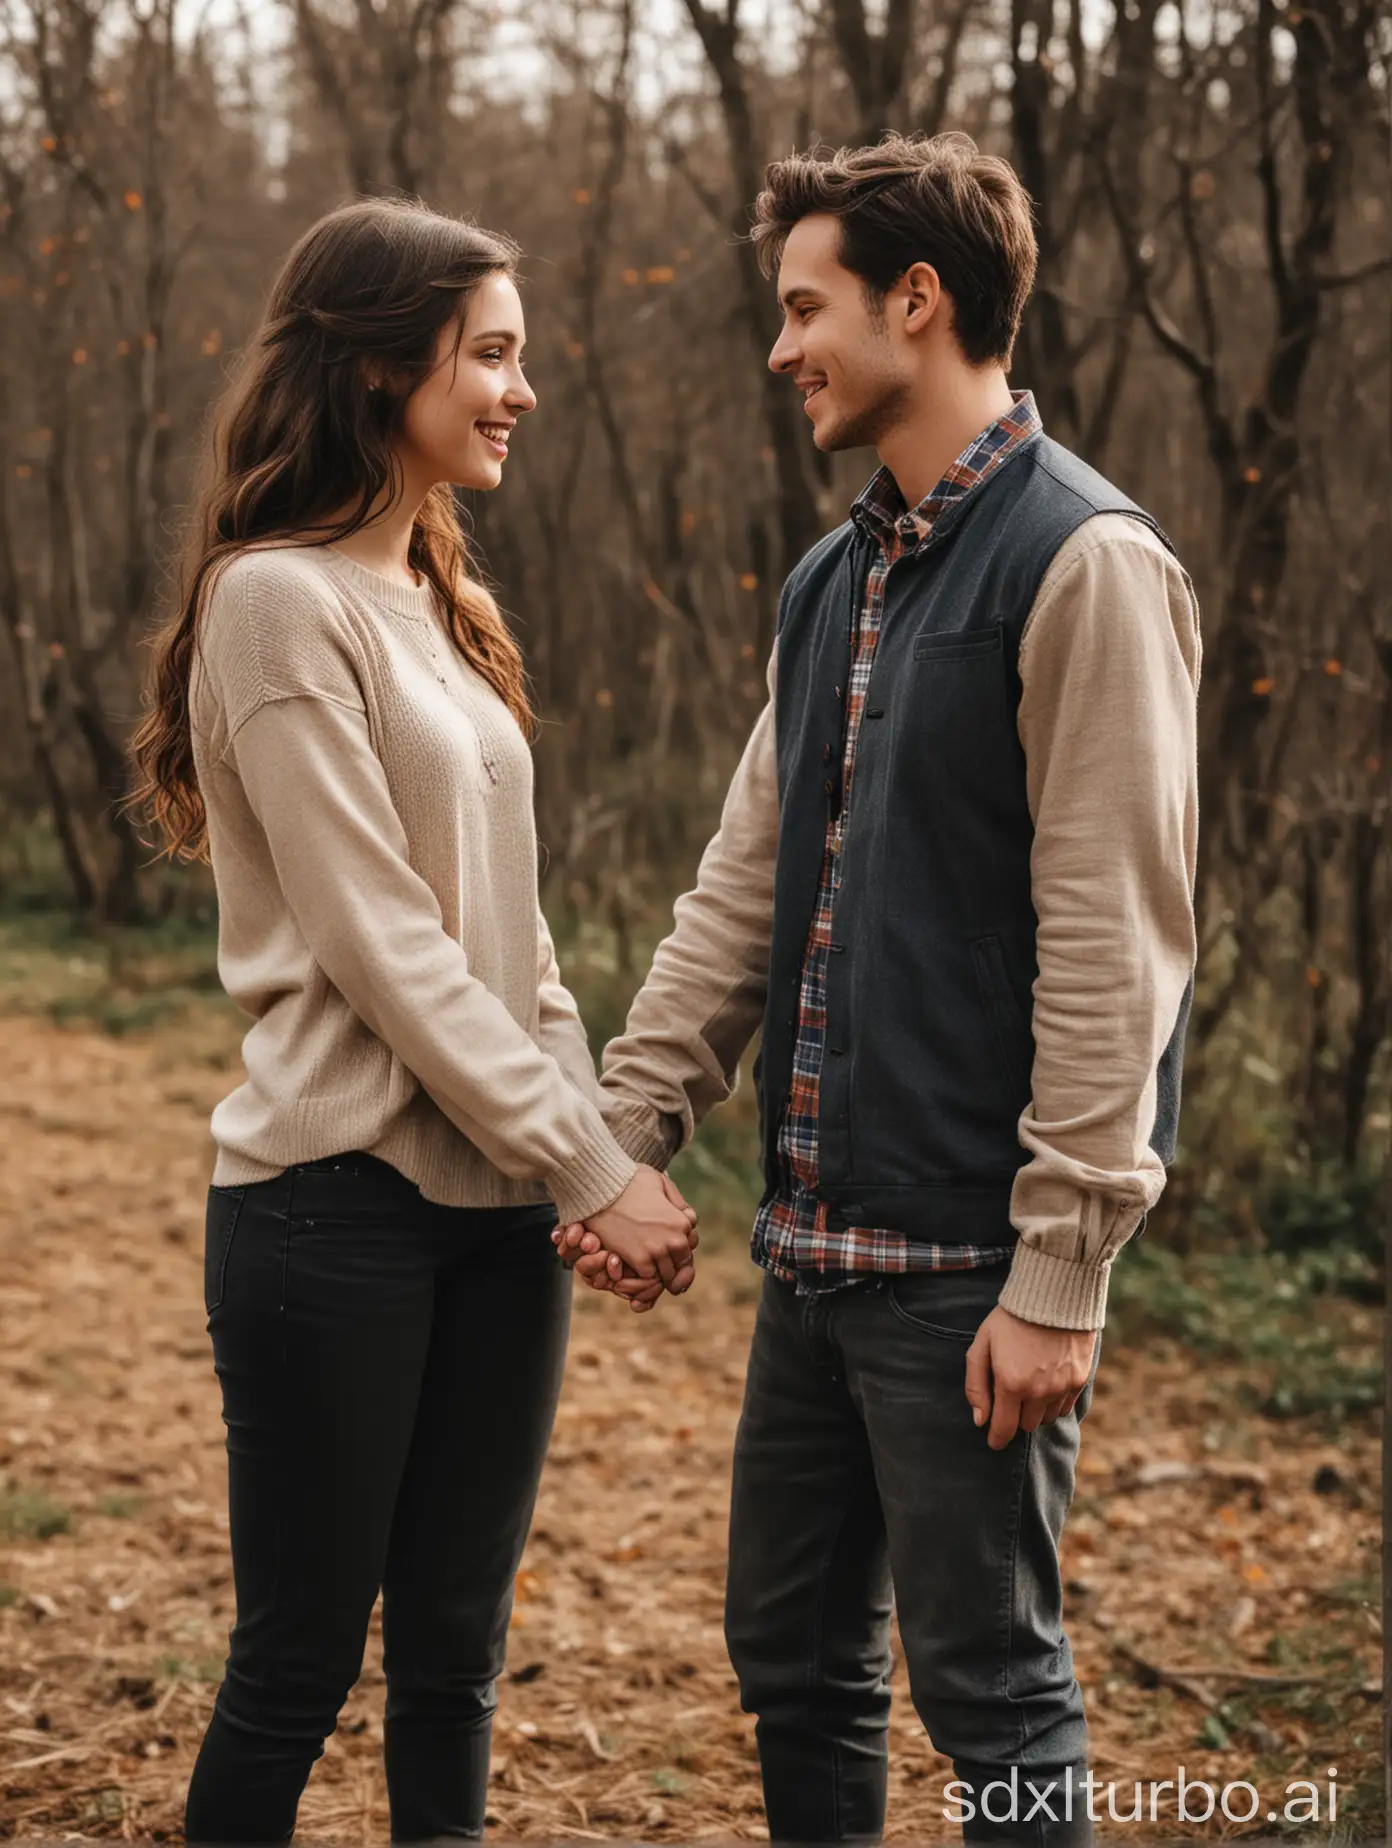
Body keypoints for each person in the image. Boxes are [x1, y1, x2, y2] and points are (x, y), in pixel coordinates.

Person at [558, 132, 1201, 1846]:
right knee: (792, 1658)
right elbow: (741, 891)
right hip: (816, 1255)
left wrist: (1064, 1266)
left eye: (803, 308)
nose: (780, 351)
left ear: (919, 303)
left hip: (970, 1270)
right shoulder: (830, 583)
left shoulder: (1087, 563)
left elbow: (1115, 940)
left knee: (994, 1697)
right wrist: (624, 1131)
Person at [130, 197, 696, 1846]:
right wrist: (587, 1167)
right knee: (298, 1663)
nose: (521, 390)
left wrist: (586, 1158)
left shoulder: (450, 608)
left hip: (496, 1224)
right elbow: (385, 948)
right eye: (493, 353)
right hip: (333, 1213)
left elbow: (519, 955)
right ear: (386, 365)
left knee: (456, 1656)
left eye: (520, 357)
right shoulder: (274, 605)